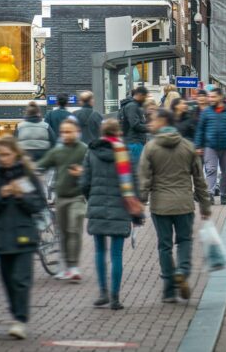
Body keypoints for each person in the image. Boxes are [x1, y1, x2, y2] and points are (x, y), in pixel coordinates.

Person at [0, 136, 46, 340]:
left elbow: (38, 204)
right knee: (7, 281)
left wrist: (20, 195)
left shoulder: (25, 176)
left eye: (6, 154)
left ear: (15, 154)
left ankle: (20, 320)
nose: (3, 158)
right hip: (1, 238)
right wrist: (1, 195)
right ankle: (16, 314)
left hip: (24, 236)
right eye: (0, 154)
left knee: (21, 280)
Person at [138, 109, 211, 302]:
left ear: (163, 121)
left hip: (160, 205)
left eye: (153, 120)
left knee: (164, 246)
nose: (150, 124)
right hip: (184, 204)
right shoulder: (188, 146)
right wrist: (205, 205)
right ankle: (183, 271)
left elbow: (144, 178)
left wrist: (140, 203)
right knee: (185, 240)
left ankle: (169, 290)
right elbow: (199, 178)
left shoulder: (151, 147)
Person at [82, 119, 145, 310]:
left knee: (100, 251)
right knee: (116, 254)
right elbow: (134, 184)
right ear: (118, 132)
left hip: (97, 206)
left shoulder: (91, 152)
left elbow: (84, 183)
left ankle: (103, 293)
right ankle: (115, 298)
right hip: (121, 207)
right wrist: (136, 204)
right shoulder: (124, 153)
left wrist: (91, 198)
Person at [36, 119, 88, 281]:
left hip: (77, 197)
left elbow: (92, 169)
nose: (66, 135)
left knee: (74, 229)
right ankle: (66, 267)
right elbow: (41, 165)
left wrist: (83, 172)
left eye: (69, 131)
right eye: (63, 132)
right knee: (64, 233)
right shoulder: (57, 151)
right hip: (61, 198)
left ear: (77, 132)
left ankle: (74, 266)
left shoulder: (84, 150)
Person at [194, 87, 226, 205]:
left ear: (220, 97)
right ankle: (210, 193)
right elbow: (200, 130)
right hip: (210, 146)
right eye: (209, 97)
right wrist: (198, 146)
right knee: (211, 170)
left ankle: (223, 194)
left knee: (225, 172)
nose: (210, 99)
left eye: (213, 97)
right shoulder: (206, 112)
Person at [119, 86, 149, 172]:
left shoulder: (133, 105)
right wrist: (149, 128)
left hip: (134, 141)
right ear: (139, 95)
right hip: (134, 142)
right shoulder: (132, 106)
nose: (145, 99)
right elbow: (135, 124)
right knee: (135, 170)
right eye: (145, 97)